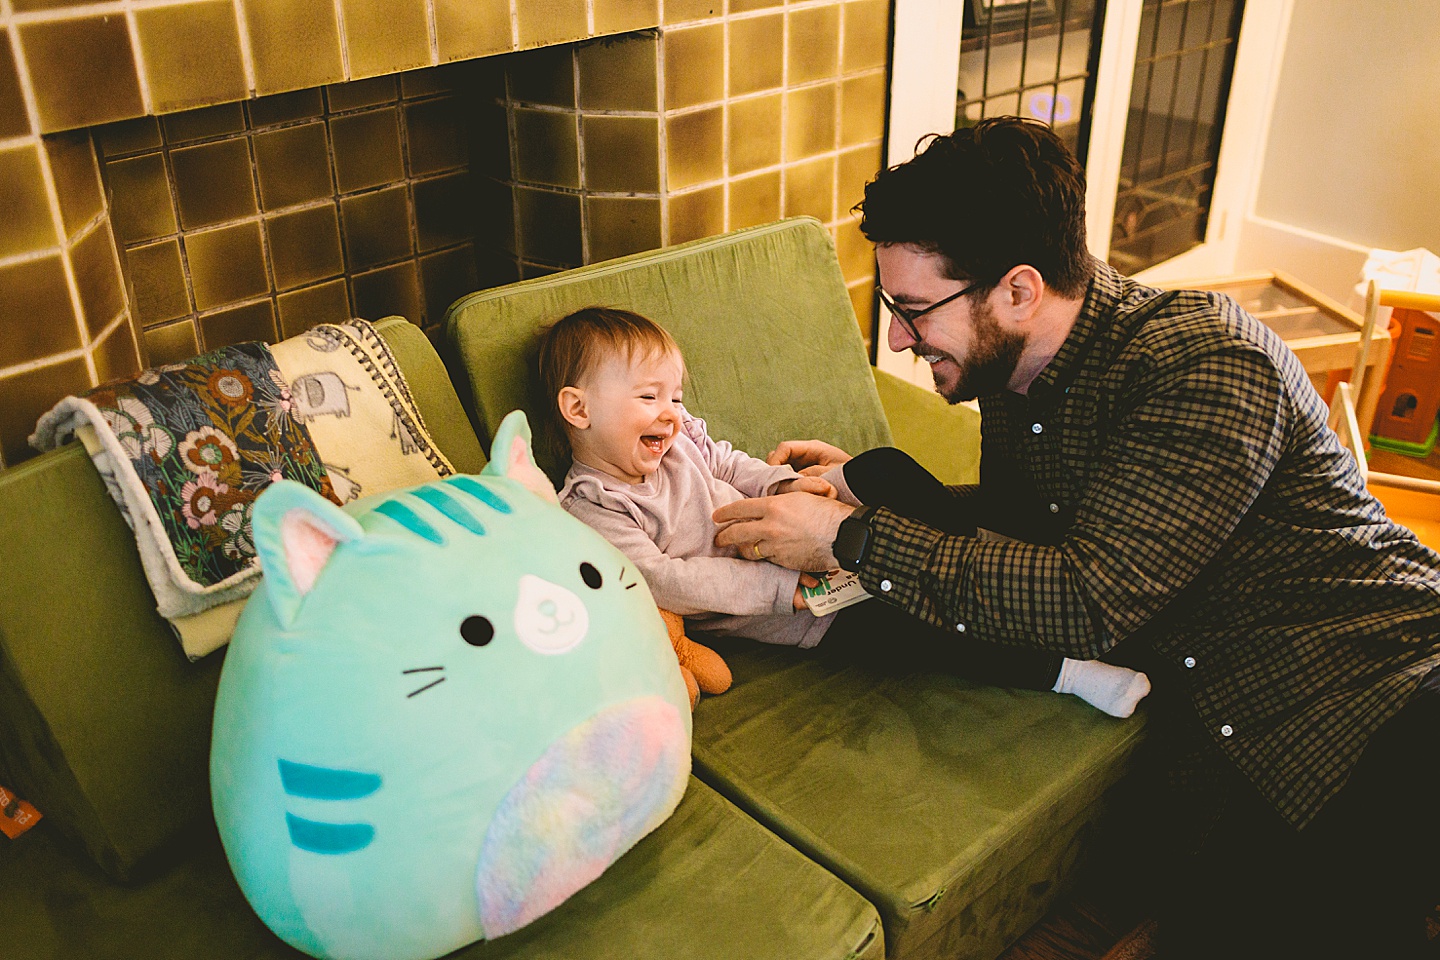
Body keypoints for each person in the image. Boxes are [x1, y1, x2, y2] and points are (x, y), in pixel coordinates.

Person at [710, 116, 1440, 959]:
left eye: (914, 312)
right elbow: (1035, 532)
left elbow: (1087, 598)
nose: (902, 342)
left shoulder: (1202, 364)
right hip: (1243, 730)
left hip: (1384, 686)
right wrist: (869, 485)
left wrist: (853, 539)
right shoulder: (1021, 372)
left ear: (1018, 290)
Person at [537, 306, 1152, 718]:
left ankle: (1004, 560)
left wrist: (791, 490)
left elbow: (730, 464)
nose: (671, 411)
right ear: (579, 409)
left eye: (676, 395)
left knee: (883, 467)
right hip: (801, 607)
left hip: (809, 544)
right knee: (912, 625)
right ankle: (1063, 669)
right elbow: (667, 581)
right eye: (650, 397)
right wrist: (789, 591)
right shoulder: (595, 507)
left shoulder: (675, 443)